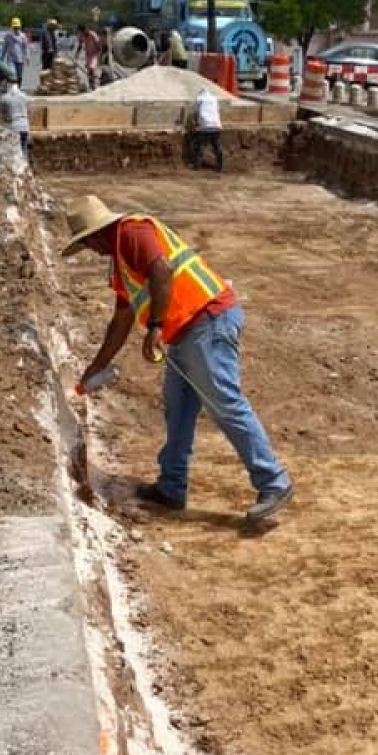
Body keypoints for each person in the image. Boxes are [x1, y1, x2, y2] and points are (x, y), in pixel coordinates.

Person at [62, 196, 293, 524]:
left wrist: (155, 327)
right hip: (187, 332)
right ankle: (172, 485)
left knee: (225, 403)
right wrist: (97, 364)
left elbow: (162, 271)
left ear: (96, 233)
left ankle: (273, 482)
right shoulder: (120, 261)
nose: (90, 250)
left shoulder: (131, 233)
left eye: (86, 243)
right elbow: (122, 319)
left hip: (207, 321)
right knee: (178, 407)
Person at [0, 73, 30, 157]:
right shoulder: (25, 96)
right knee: (23, 151)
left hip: (13, 127)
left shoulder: (5, 98)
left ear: (7, 83)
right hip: (24, 126)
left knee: (12, 153)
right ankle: (25, 168)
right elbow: (28, 111)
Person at [188, 87, 223, 172]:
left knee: (200, 145)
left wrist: (195, 124)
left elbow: (195, 112)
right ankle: (220, 165)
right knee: (216, 146)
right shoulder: (214, 98)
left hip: (205, 127)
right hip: (217, 126)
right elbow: (217, 110)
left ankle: (197, 165)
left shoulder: (199, 98)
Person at [0, 17, 28, 86]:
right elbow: (4, 47)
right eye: (15, 27)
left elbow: (25, 47)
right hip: (11, 59)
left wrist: (27, 57)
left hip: (20, 59)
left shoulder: (23, 36)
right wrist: (2, 57)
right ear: (12, 27)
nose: (16, 29)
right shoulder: (8, 36)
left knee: (19, 75)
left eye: (17, 27)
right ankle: (11, 88)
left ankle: (18, 88)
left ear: (20, 27)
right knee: (12, 74)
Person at [76, 23, 102, 88]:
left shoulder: (93, 35)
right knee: (89, 70)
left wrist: (99, 56)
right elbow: (80, 45)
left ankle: (93, 83)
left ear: (86, 29)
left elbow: (99, 45)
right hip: (88, 54)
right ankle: (91, 84)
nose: (83, 32)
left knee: (91, 68)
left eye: (84, 31)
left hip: (95, 54)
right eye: (81, 32)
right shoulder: (81, 35)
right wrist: (77, 54)